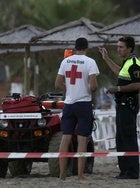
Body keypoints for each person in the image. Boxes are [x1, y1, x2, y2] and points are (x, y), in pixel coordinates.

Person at [55, 37, 99, 180]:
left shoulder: (65, 61)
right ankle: (80, 175)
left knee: (65, 138)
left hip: (69, 104)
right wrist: (88, 88)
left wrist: (69, 90)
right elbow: (93, 87)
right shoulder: (90, 62)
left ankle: (62, 174)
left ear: (75, 48)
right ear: (86, 48)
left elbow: (57, 83)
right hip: (83, 104)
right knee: (81, 140)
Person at [98, 36, 140, 179]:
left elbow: (138, 85)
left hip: (128, 104)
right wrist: (107, 59)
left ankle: (132, 171)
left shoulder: (134, 63)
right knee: (121, 138)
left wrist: (118, 89)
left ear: (129, 49)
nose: (118, 49)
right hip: (121, 104)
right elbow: (119, 72)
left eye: (121, 47)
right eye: (118, 46)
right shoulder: (126, 63)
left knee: (128, 137)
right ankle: (124, 171)